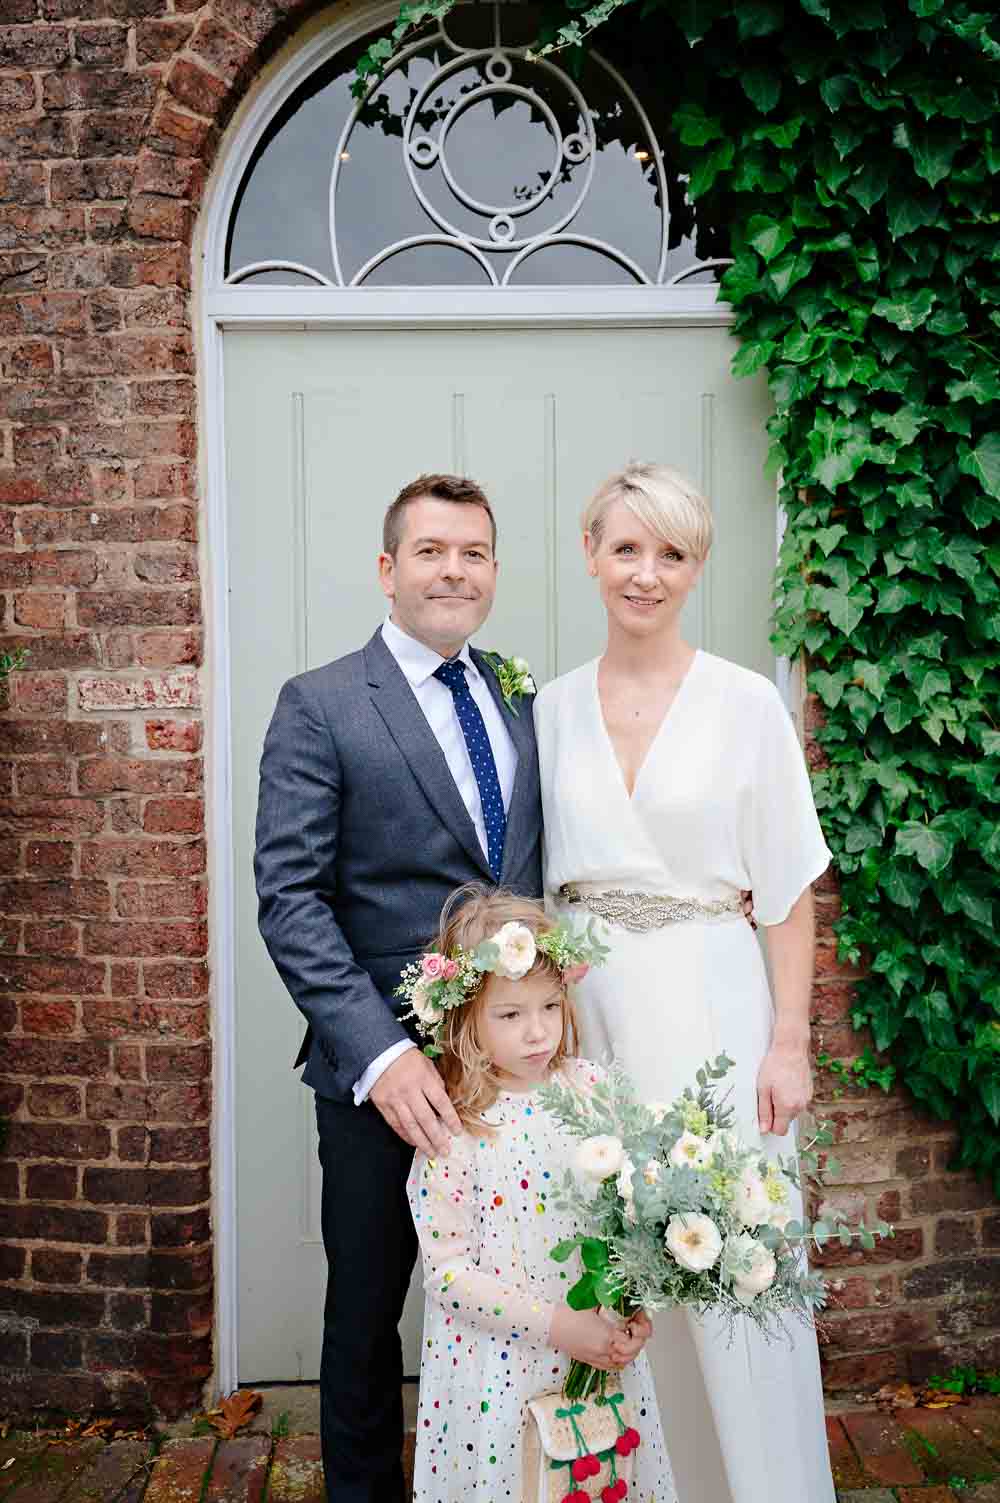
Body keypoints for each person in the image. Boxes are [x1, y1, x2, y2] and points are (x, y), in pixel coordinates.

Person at [534, 462, 835, 1503]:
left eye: (671, 554)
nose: (646, 574)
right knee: (604, 1252)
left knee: (727, 1259)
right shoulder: (550, 710)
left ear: (696, 567)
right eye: (626, 548)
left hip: (712, 1005)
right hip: (587, 1026)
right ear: (589, 554)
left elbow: (788, 891)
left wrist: (787, 1041)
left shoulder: (745, 703)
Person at [254, 474, 544, 1502]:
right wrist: (379, 1054)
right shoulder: (321, 703)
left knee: (523, 1294)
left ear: (493, 572)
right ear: (388, 570)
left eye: (471, 552)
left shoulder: (519, 698)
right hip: (380, 1079)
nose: (451, 570)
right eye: (429, 551)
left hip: (510, 1075)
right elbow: (289, 900)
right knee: (368, 1312)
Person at [405, 884, 675, 1503]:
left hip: (596, 1352)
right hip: (500, 1370)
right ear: (466, 1017)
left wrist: (636, 1313)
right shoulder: (455, 1126)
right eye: (510, 1014)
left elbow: (638, 1220)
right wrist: (559, 1327)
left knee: (599, 1478)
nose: (537, 1033)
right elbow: (448, 1273)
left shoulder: (594, 1092)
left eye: (550, 1007)